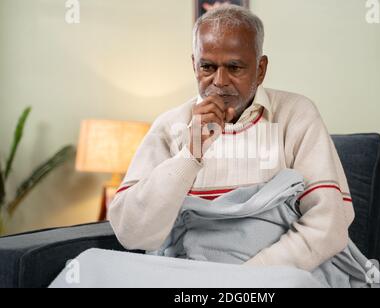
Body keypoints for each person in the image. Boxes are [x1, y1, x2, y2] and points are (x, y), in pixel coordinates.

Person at [108, 4, 355, 272]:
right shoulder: (170, 126)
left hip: (275, 276)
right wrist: (190, 155)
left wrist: (245, 279)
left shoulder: (296, 114)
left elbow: (329, 224)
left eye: (235, 67)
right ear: (194, 65)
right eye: (207, 67)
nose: (220, 81)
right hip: (189, 278)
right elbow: (131, 233)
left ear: (260, 70)